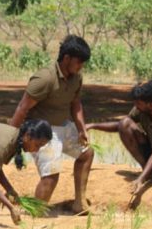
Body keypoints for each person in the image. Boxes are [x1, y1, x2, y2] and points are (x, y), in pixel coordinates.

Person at [9, 35, 94, 214]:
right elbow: (23, 107)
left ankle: (79, 203)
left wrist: (81, 129)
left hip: (64, 125)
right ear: (67, 58)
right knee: (51, 175)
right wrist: (9, 137)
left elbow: (76, 103)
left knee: (87, 153)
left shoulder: (76, 77)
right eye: (79, 62)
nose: (81, 66)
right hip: (42, 131)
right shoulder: (45, 78)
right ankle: (35, 213)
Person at [87, 81, 152, 201]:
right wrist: (93, 125)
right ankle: (148, 171)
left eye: (138, 103)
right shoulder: (140, 109)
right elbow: (121, 126)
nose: (135, 106)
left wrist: (141, 179)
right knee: (125, 123)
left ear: (151, 104)